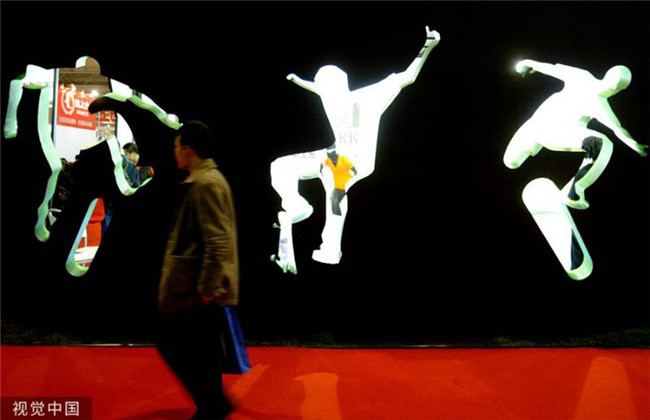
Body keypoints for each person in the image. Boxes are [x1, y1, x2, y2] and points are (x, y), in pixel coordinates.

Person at [270, 26, 440, 274]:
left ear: (341, 86)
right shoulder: (329, 96)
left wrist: (428, 45)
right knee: (281, 165)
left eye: (327, 88)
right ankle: (296, 205)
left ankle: (330, 249)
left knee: (335, 185)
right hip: (333, 153)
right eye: (322, 89)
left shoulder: (368, 98)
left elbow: (408, 77)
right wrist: (300, 81)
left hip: (357, 160)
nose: (325, 94)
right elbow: (318, 88)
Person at [157, 120, 239, 420]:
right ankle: (213, 405)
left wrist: (207, 287)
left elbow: (217, 240)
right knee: (203, 352)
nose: (175, 152)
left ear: (188, 149)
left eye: (177, 147)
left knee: (174, 344)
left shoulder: (206, 183)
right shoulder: (204, 180)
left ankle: (213, 405)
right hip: (196, 287)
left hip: (195, 289)